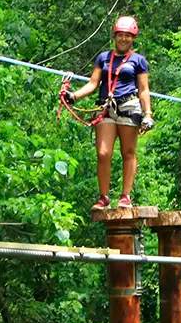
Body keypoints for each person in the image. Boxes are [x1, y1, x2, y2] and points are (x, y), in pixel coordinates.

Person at [62, 16, 154, 211]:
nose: (123, 39)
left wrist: (148, 113)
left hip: (129, 107)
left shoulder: (138, 61)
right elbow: (93, 83)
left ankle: (125, 196)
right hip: (106, 107)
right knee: (103, 153)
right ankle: (103, 197)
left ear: (133, 38)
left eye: (127, 36)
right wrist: (74, 96)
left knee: (128, 152)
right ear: (115, 36)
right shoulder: (103, 58)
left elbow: (143, 89)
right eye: (120, 35)